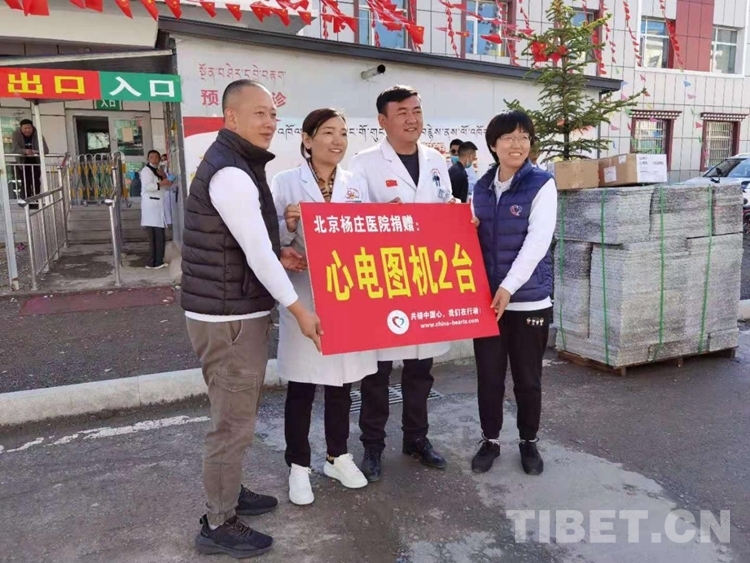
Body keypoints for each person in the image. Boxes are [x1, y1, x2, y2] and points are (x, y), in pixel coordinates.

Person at [181, 79, 322, 559]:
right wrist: (299, 309)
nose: (269, 122)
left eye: (273, 114)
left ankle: (229, 491)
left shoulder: (239, 163)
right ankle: (218, 523)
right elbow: (257, 254)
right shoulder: (232, 173)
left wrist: (281, 253)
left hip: (233, 310)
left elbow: (247, 243)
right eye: (258, 113)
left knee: (236, 414)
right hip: (229, 319)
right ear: (231, 117)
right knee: (232, 424)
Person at [349, 85, 459, 482]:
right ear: (383, 121)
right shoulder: (364, 163)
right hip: (385, 279)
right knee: (376, 371)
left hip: (426, 277)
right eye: (402, 113)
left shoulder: (436, 159)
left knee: (420, 368)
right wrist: (378, 214)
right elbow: (350, 217)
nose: (412, 119)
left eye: (416, 111)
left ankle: (416, 438)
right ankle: (373, 446)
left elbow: (444, 204)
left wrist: (455, 212)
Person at [271, 108, 374, 506]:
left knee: (341, 382)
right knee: (302, 385)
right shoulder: (285, 182)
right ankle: (298, 465)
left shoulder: (355, 183)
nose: (338, 141)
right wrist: (288, 227)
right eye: (328, 132)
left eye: (343, 133)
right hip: (305, 295)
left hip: (346, 294)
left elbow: (369, 235)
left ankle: (338, 455)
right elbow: (268, 238)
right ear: (307, 139)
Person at [469, 110, 557, 476]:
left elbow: (537, 243)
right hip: (488, 304)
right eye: (508, 138)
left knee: (527, 379)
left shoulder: (542, 184)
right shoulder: (480, 188)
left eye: (523, 137)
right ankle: (490, 440)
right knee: (489, 377)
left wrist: (508, 287)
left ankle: (528, 441)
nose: (517, 144)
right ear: (494, 145)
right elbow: (471, 240)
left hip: (529, 302)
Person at [140, 150, 171, 269]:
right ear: (148, 159)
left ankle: (158, 261)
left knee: (159, 235)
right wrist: (161, 183)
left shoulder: (157, 171)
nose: (155, 159)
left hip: (157, 205)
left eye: (157, 157)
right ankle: (152, 262)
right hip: (151, 206)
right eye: (152, 157)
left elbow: (165, 185)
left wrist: (164, 178)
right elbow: (147, 186)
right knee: (155, 236)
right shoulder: (146, 171)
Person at [11, 119, 49, 204]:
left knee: (36, 182)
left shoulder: (37, 134)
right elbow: (14, 149)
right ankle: (27, 203)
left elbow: (46, 150)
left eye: (29, 128)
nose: (27, 130)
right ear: (21, 128)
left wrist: (35, 152)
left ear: (32, 128)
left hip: (35, 162)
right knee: (25, 183)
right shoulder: (16, 134)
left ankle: (36, 202)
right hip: (22, 163)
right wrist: (25, 151)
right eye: (25, 128)